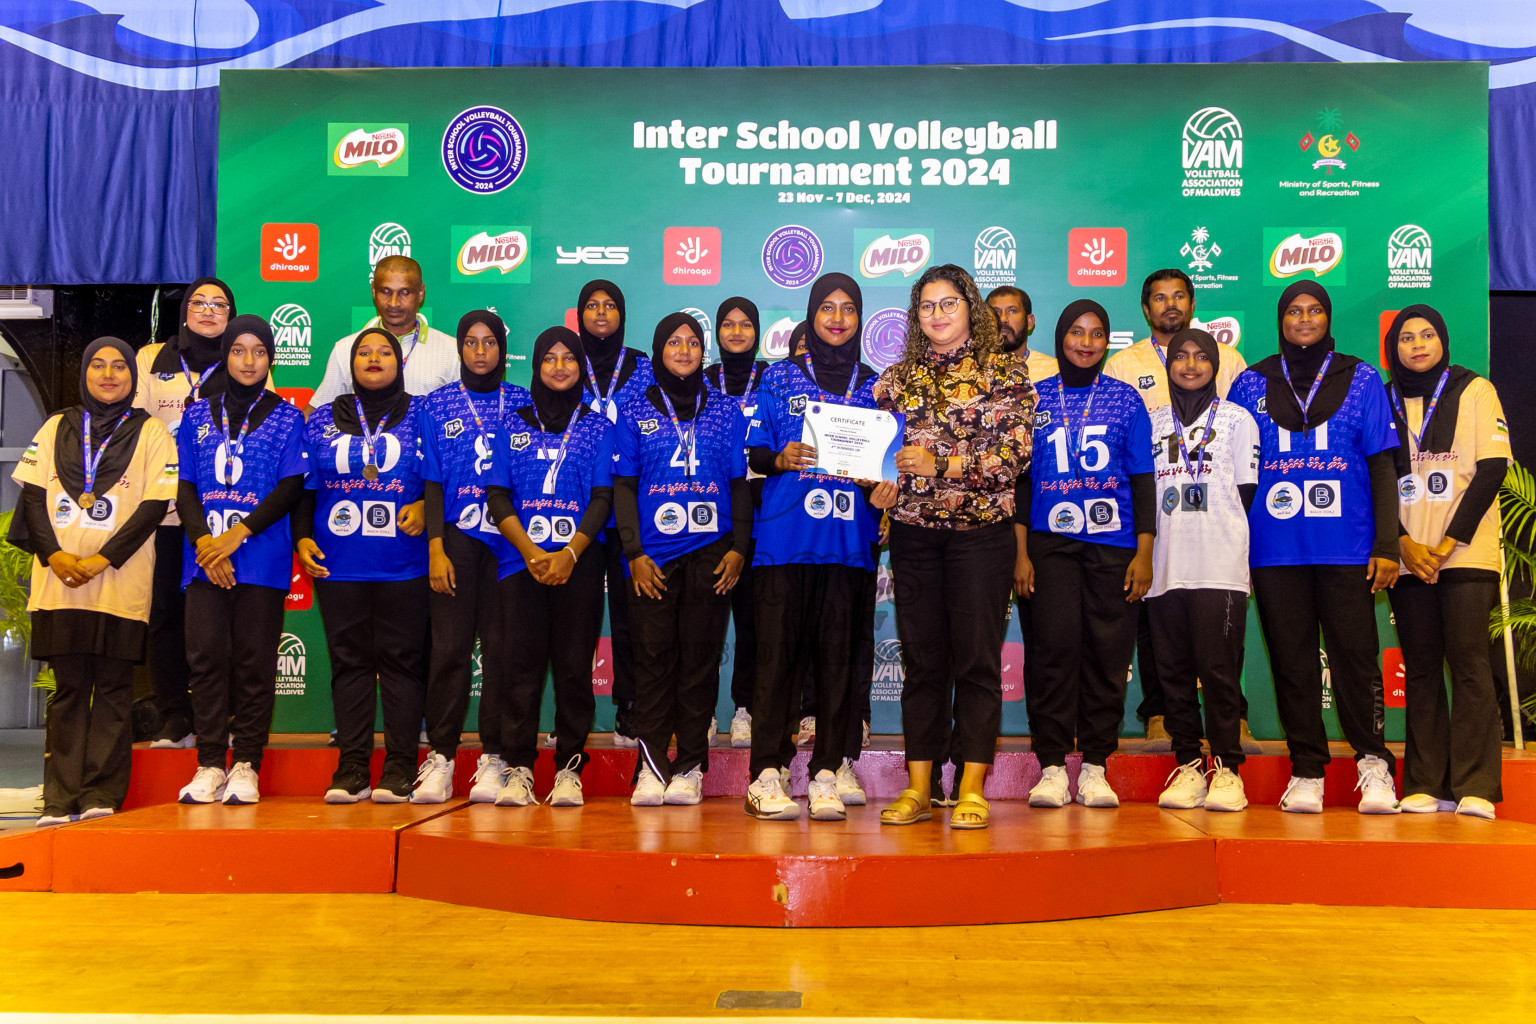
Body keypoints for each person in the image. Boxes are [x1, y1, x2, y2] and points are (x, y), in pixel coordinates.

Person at [1227, 282, 1402, 814]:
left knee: (1354, 657)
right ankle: (1307, 769)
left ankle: (1373, 765)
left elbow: (1381, 463)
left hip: (1347, 546)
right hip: (1274, 548)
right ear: (1281, 319)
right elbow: (1233, 475)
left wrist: (1388, 544)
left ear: (1328, 317)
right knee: (1292, 662)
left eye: (1315, 310)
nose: (1305, 319)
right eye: (1295, 311)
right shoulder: (1250, 382)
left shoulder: (1363, 376)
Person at [873, 264, 1035, 830]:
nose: (938, 314)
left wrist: (940, 463)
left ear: (971, 307)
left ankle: (970, 786)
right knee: (922, 665)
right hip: (915, 536)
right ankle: (919, 788)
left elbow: (1013, 463)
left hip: (981, 538)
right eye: (926, 306)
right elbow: (876, 459)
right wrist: (880, 484)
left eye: (949, 303)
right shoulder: (895, 379)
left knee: (976, 663)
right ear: (915, 317)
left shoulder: (1007, 375)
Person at [743, 274, 893, 822]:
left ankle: (828, 771)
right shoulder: (779, 378)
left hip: (848, 544)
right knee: (777, 660)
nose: (837, 318)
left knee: (838, 662)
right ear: (811, 315)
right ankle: (767, 773)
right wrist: (778, 458)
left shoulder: (875, 385)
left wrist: (886, 495)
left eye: (848, 309)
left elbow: (886, 469)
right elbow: (753, 454)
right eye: (826, 308)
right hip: (784, 540)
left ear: (859, 319)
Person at [11, 338, 178, 825]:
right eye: (98, 366)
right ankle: (60, 798)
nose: (109, 374)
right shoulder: (56, 426)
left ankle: (101, 794)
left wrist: (104, 559)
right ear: (84, 373)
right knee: (66, 690)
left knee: (112, 688)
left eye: (120, 367)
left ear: (133, 376)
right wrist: (56, 554)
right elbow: (33, 499)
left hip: (120, 582)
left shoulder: (152, 433)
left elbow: (152, 507)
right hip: (59, 581)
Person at [1104, 268, 1255, 752]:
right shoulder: (1123, 363)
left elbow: (1244, 475)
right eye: (1159, 299)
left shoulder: (1230, 359)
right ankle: (1161, 716)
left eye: (1179, 297)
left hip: (1217, 526)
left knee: (1221, 641)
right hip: (1157, 517)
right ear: (1145, 309)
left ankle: (1232, 728)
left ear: (1192, 303)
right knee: (1156, 632)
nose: (1170, 305)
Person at [1016, 300, 1155, 810]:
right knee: (1053, 652)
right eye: (1076, 332)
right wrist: (1021, 552)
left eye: (1097, 334)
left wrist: (1144, 551)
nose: (1087, 342)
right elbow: (1021, 483)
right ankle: (1051, 766)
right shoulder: (1033, 397)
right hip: (1049, 545)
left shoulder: (1124, 399)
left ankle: (1096, 765)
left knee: (1107, 656)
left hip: (1114, 545)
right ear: (1059, 336)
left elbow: (1142, 477)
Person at [613, 312, 751, 806]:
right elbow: (623, 487)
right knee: (652, 660)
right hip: (654, 554)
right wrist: (633, 553)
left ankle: (690, 766)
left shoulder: (725, 411)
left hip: (712, 553)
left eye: (694, 342)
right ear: (657, 350)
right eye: (673, 341)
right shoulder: (632, 410)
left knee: (699, 660)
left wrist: (739, 548)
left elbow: (738, 484)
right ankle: (651, 768)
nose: (685, 350)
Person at [173, 316, 306, 805]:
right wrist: (207, 545)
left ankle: (246, 762)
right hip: (204, 560)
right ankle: (209, 764)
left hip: (261, 557)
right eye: (238, 351)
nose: (249, 361)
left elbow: (291, 487)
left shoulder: (289, 418)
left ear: (270, 359)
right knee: (206, 661)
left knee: (253, 664)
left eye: (258, 352)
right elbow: (185, 486)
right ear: (225, 356)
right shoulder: (196, 415)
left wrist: (238, 535)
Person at [294, 328, 430, 804]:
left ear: (400, 361)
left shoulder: (424, 412)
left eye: (385, 351)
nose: (374, 359)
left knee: (401, 664)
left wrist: (429, 509)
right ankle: (352, 766)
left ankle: (399, 765)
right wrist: (302, 535)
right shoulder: (322, 419)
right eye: (364, 352)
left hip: (405, 563)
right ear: (350, 365)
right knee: (349, 664)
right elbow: (304, 488)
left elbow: (444, 476)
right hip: (339, 564)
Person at [1386, 305, 1509, 819]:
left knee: (1470, 663)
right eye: (1407, 337)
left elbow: (1492, 469)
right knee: (1420, 669)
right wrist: (1402, 542)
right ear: (1393, 348)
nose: (1418, 344)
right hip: (1410, 554)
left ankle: (1477, 785)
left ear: (1443, 340)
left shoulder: (1475, 389)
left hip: (1466, 552)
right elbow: (1373, 477)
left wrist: (1446, 543)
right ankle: (1424, 782)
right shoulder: (1384, 398)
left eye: (1428, 334)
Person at [485, 327, 614, 807]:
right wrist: (531, 552)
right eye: (549, 358)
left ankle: (568, 769)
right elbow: (497, 495)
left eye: (569, 359)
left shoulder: (599, 426)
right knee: (519, 669)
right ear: (536, 366)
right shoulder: (509, 423)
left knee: (574, 669)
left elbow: (602, 498)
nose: (560, 367)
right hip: (521, 563)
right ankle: (518, 770)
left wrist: (569, 554)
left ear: (581, 368)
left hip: (578, 561)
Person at [415, 311, 532, 803]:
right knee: (449, 650)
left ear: (502, 350)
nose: (480, 351)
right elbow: (433, 482)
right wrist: (436, 546)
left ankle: (495, 757)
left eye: (489, 342)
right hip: (458, 537)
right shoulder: (437, 404)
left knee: (504, 651)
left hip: (509, 541)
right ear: (459, 348)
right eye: (470, 342)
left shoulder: (524, 401)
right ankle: (441, 755)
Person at [1144, 329, 1260, 812]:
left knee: (1218, 672)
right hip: (1165, 567)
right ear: (1168, 364)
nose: (1190, 365)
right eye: (1180, 357)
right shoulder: (1151, 422)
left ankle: (1229, 770)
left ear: (1215, 364)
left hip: (1220, 565)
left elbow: (1245, 492)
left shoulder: (1237, 420)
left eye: (1201, 357)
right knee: (1171, 673)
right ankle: (1188, 764)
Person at [134, 278, 235, 749]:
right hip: (160, 513)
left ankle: (223, 717)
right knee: (164, 616)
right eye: (200, 302)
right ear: (185, 310)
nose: (208, 311)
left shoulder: (241, 357)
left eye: (220, 304)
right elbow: (134, 426)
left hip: (219, 517)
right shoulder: (152, 357)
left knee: (220, 621)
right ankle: (175, 717)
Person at [576, 280, 654, 748]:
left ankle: (632, 706)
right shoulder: (564, 359)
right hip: (578, 510)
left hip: (631, 509)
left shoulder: (643, 367)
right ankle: (576, 714)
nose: (601, 312)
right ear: (580, 313)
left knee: (632, 617)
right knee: (579, 618)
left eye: (610, 305)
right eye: (592, 305)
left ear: (622, 314)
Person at [705, 296, 770, 750]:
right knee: (704, 620)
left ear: (758, 331)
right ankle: (703, 709)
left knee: (754, 619)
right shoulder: (701, 378)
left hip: (764, 507)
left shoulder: (773, 377)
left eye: (746, 324)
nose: (736, 332)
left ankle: (745, 708)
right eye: (728, 324)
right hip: (711, 506)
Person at [303, 256, 458, 414]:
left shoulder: (452, 351)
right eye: (386, 292)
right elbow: (318, 412)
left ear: (420, 293)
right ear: (373, 291)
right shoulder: (346, 348)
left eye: (404, 292)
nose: (393, 303)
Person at [986, 286, 1058, 382]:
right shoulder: (971, 370)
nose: (1003, 319)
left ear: (1029, 322)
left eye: (1012, 311)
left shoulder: (1054, 371)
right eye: (996, 312)